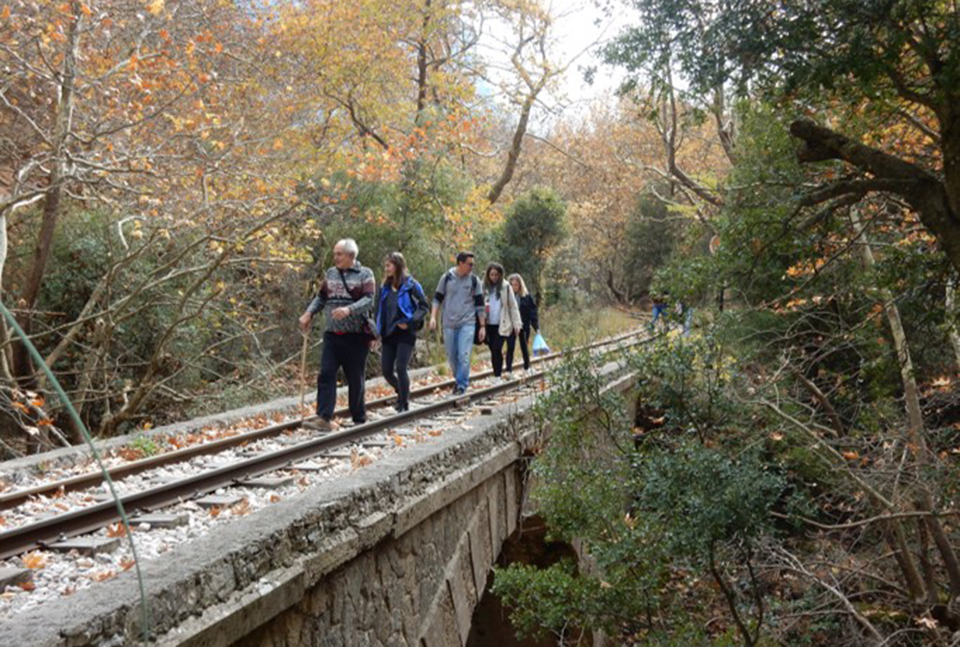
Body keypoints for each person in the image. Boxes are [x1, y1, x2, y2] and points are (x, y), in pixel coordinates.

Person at [298, 238, 376, 431]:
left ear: (351, 256)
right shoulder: (331, 274)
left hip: (356, 336)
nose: (335, 258)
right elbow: (321, 297)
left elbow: (369, 300)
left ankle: (359, 417)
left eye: (339, 254)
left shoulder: (365, 274)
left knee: (355, 377)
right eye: (335, 254)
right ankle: (324, 417)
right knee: (326, 373)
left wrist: (349, 310)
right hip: (332, 334)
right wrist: (309, 313)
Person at [377, 252, 429, 412]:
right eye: (385, 266)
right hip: (389, 333)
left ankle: (403, 403)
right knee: (386, 370)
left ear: (398, 266)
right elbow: (378, 309)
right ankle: (402, 390)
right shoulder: (384, 287)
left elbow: (423, 306)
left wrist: (410, 322)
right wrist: (377, 331)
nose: (386, 269)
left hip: (406, 332)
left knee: (400, 367)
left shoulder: (411, 285)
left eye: (389, 265)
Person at [429, 251, 486, 395]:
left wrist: (482, 326)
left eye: (473, 264)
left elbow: (480, 305)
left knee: (464, 355)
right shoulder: (447, 278)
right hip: (449, 323)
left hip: (467, 322)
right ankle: (458, 379)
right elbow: (437, 299)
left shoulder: (474, 281)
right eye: (469, 264)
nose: (472, 267)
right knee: (453, 357)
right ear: (460, 263)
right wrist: (433, 317)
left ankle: (461, 385)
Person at [483, 262, 522, 379]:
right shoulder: (483, 287)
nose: (494, 277)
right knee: (494, 351)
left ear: (500, 275)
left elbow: (513, 306)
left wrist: (517, 324)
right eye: (492, 275)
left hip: (503, 324)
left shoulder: (506, 287)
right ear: (488, 275)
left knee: (496, 348)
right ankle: (497, 373)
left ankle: (497, 376)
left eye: (496, 275)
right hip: (488, 324)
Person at [507, 273, 538, 372]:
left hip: (524, 325)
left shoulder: (526, 297)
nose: (514, 287)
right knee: (510, 347)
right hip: (511, 326)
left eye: (516, 285)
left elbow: (532, 312)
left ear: (520, 285)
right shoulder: (506, 297)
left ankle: (527, 367)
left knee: (524, 346)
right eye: (511, 285)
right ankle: (508, 369)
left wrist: (536, 327)